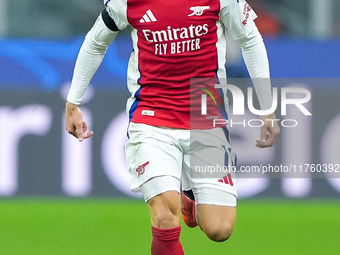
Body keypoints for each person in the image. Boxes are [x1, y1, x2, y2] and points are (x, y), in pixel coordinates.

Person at [65, 0, 280, 254]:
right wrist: (73, 103)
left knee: (219, 229)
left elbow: (250, 39)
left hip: (205, 118)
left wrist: (266, 106)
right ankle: (180, 197)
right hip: (151, 119)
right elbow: (95, 42)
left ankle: (189, 193)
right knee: (164, 216)